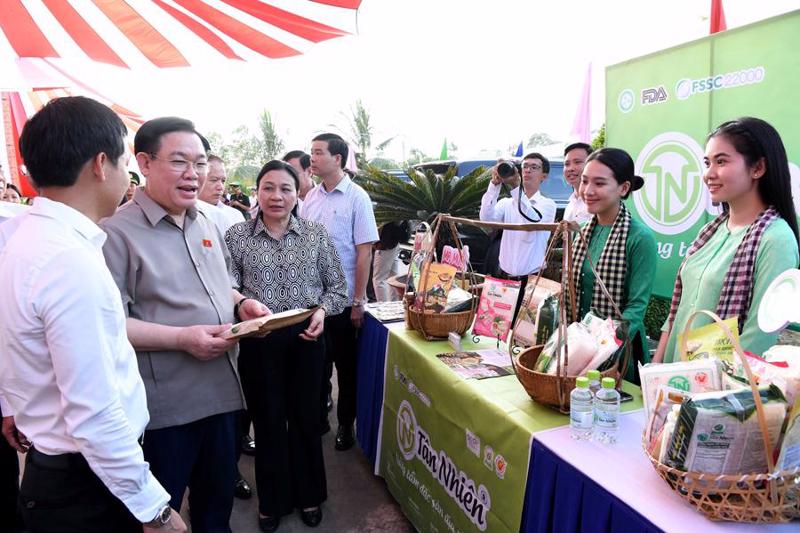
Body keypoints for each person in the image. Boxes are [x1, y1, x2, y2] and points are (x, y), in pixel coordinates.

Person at [0, 96, 187, 532]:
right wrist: (154, 509)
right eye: (127, 162)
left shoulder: (24, 240)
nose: (129, 176)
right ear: (101, 165)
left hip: (61, 469)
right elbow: (94, 413)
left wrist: (13, 401)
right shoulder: (68, 261)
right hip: (85, 486)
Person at [101, 116, 269, 533]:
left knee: (216, 509)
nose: (194, 175)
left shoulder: (207, 221)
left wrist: (242, 303)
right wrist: (181, 339)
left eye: (199, 163)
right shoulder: (115, 234)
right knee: (164, 514)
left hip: (223, 394)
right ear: (144, 162)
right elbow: (108, 326)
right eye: (180, 162)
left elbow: (220, 287)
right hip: (166, 410)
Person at [226, 160, 347, 532]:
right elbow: (225, 285)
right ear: (257, 191)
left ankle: (310, 495)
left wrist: (323, 312)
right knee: (268, 423)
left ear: (299, 193)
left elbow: (337, 287)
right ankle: (273, 501)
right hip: (259, 342)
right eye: (268, 187)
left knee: (307, 421)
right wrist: (241, 303)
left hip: (306, 338)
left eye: (285, 189)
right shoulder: (237, 236)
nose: (276, 196)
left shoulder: (316, 234)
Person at [654, 117, 800, 364]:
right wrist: (656, 365)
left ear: (758, 168)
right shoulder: (711, 231)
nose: (708, 174)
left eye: (721, 161)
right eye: (707, 163)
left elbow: (759, 336)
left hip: (715, 389)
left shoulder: (776, 239)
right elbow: (677, 312)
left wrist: (707, 390)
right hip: (672, 377)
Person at [301, 132, 378, 450]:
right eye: (311, 152)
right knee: (316, 365)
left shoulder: (357, 198)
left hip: (345, 302)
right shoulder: (310, 199)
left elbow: (364, 252)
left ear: (338, 159)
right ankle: (318, 419)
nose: (312, 159)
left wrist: (358, 301)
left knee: (346, 369)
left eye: (318, 153)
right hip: (312, 301)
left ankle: (346, 425)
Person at [571, 148, 657, 379]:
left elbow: (636, 309)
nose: (588, 191)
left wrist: (606, 352)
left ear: (624, 187)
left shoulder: (639, 237)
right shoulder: (580, 233)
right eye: (585, 181)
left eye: (599, 183)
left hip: (617, 357)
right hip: (577, 349)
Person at [479, 153, 557, 315]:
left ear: (544, 176)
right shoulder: (506, 203)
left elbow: (532, 221)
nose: (528, 170)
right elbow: (486, 218)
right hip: (503, 278)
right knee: (497, 328)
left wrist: (516, 187)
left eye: (534, 167)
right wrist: (494, 185)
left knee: (523, 335)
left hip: (532, 282)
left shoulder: (547, 205)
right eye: (525, 166)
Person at [198, 155, 246, 235]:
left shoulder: (235, 216)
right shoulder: (182, 216)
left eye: (223, 181)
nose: (220, 187)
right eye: (214, 180)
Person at [372, 221, 410, 301]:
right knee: (392, 276)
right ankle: (393, 303)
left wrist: (374, 242)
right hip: (393, 244)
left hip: (385, 245)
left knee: (379, 280)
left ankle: (383, 306)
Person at [562, 142, 593, 225]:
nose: (570, 168)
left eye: (577, 162)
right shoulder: (570, 204)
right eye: (567, 164)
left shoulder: (597, 203)